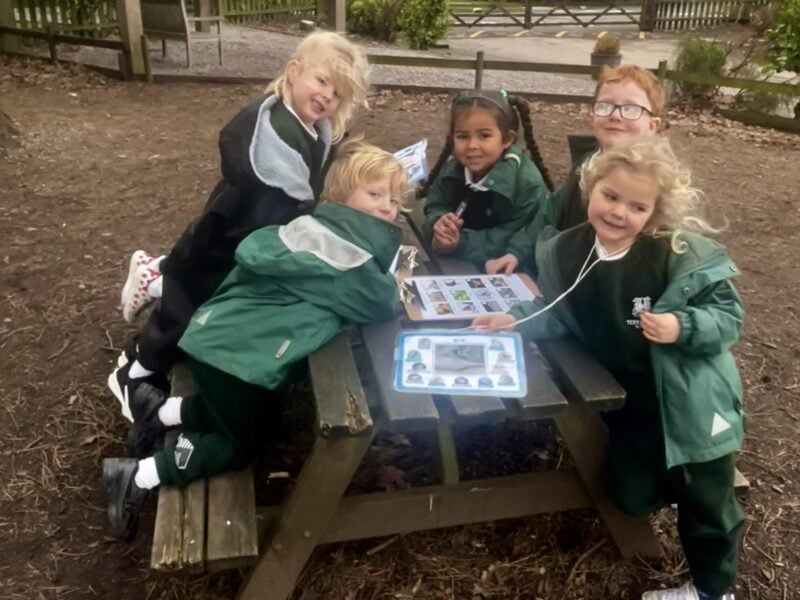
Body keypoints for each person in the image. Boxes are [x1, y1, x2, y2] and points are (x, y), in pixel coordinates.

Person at [473, 138, 744, 600]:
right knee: (630, 494)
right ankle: (671, 484)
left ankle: (712, 590)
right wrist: (518, 319)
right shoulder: (569, 251)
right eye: (611, 197)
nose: (618, 213)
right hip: (629, 402)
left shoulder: (674, 255)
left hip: (691, 403)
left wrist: (684, 324)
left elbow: (728, 316)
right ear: (590, 189)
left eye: (637, 206)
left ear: (654, 213)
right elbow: (559, 308)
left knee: (707, 502)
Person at [102, 140, 406, 541]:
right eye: (376, 194)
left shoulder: (309, 227)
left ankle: (159, 412)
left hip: (219, 337)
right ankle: (139, 475)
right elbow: (382, 303)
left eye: (396, 200)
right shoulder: (350, 260)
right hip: (237, 359)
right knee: (237, 445)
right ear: (340, 197)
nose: (388, 207)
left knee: (257, 414)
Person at [109, 31, 370, 421]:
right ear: (294, 71)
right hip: (233, 231)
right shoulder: (275, 131)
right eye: (321, 81)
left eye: (336, 93)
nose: (326, 96)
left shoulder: (311, 127)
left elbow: (309, 175)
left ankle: (158, 277)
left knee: (199, 288)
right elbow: (277, 192)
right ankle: (135, 370)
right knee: (192, 298)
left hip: (249, 228)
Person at [486, 64, 664, 275]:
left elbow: (680, 261)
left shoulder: (659, 183)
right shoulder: (584, 167)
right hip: (565, 279)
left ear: (653, 126)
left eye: (631, 109)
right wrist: (516, 252)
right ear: (592, 115)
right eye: (606, 106)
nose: (616, 116)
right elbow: (548, 215)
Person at [418, 89, 552, 269]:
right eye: (463, 136)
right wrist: (440, 226)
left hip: (508, 268)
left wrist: (460, 242)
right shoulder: (453, 168)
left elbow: (515, 236)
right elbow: (436, 204)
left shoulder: (527, 183)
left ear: (507, 139)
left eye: (485, 136)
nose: (472, 146)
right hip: (459, 260)